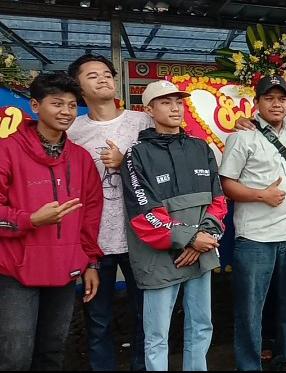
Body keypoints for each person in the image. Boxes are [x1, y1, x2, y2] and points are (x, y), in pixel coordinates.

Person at [120, 80, 227, 371]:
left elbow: (218, 199)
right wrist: (192, 239)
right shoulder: (137, 153)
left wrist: (203, 237)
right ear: (149, 109)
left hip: (201, 249)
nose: (175, 108)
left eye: (178, 102)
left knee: (202, 325)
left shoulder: (200, 147)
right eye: (166, 102)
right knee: (157, 336)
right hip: (160, 257)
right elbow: (144, 213)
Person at [0, 72, 103, 370]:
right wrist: (30, 219)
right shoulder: (7, 151)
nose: (66, 112)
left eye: (72, 105)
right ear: (35, 105)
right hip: (14, 272)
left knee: (52, 352)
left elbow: (90, 216)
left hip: (63, 270)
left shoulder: (81, 158)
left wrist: (92, 263)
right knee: (13, 357)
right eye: (57, 104)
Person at [219, 76, 286, 371]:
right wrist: (261, 195)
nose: (276, 104)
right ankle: (249, 365)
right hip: (256, 236)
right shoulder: (241, 137)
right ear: (257, 102)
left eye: (282, 99)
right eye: (269, 98)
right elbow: (226, 185)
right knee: (250, 308)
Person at [67, 54, 151, 371]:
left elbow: (161, 167)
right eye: (92, 75)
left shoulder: (142, 122)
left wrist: (125, 159)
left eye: (107, 73)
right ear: (78, 88)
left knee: (145, 315)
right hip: (94, 241)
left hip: (140, 237)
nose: (103, 78)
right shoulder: (72, 130)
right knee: (97, 319)